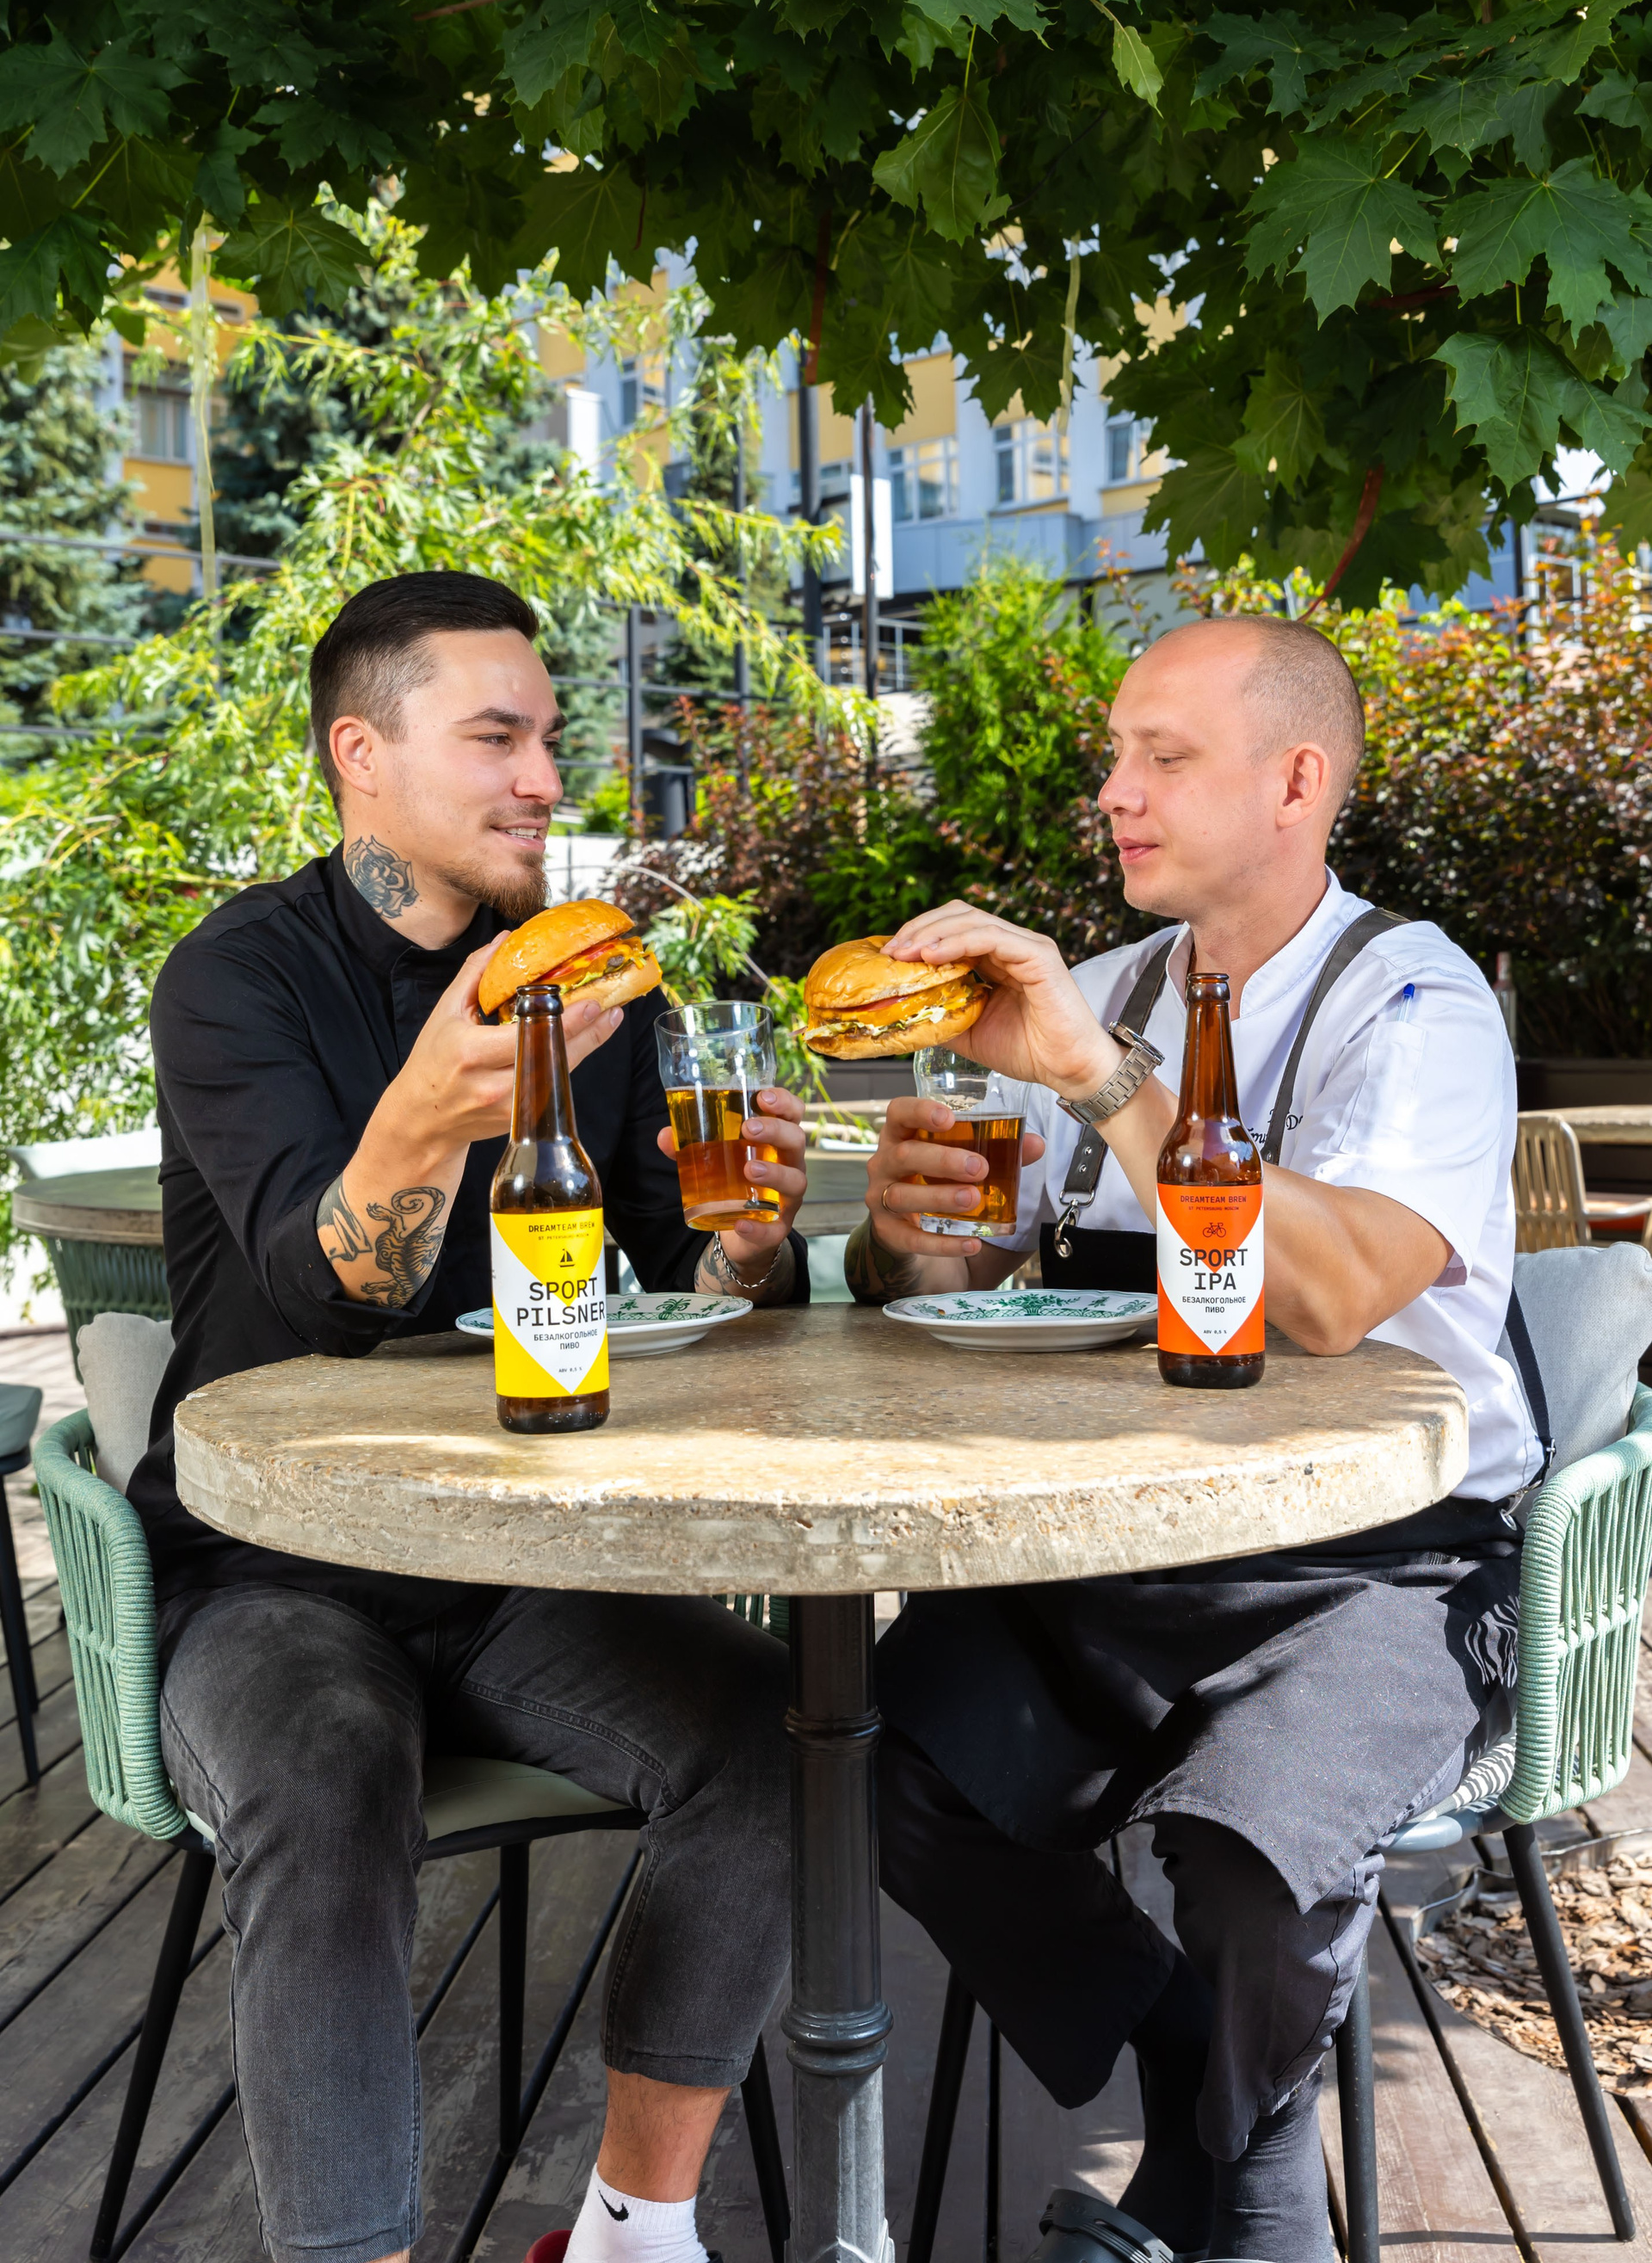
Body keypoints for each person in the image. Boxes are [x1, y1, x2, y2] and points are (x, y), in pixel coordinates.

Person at [127, 572, 811, 2263]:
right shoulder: (236, 981)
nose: (544, 781)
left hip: (524, 1564)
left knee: (782, 1737)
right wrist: (434, 1111)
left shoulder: (589, 992)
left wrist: (744, 1239)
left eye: (549, 739)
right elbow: (327, 1293)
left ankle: (633, 2230)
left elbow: (680, 1299)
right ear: (361, 755)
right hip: (271, 1568)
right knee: (322, 1768)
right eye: (497, 738)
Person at [845, 614, 1534, 2263]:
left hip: (1382, 1559)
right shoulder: (1095, 995)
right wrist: (910, 1239)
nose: (1114, 792)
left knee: (1250, 1866)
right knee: (884, 1768)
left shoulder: (1414, 1001)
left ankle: (1243, 2191)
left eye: (1163, 757)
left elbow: (1334, 1295)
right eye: (1116, 756)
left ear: (1297, 784)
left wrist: (1100, 1078)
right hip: (1112, 1544)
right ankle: (1197, 2074)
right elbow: (963, 1291)